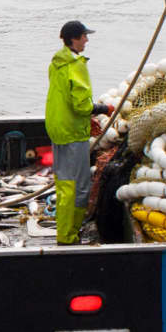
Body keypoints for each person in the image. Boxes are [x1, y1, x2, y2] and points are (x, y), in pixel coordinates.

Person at [45, 19, 111, 245]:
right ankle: (69, 236)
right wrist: (104, 109)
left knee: (64, 182)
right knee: (78, 186)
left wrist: (86, 119)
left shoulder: (57, 62)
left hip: (58, 128)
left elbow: (65, 98)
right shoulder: (77, 64)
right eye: (84, 36)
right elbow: (81, 105)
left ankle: (65, 232)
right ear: (74, 39)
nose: (87, 40)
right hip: (73, 133)